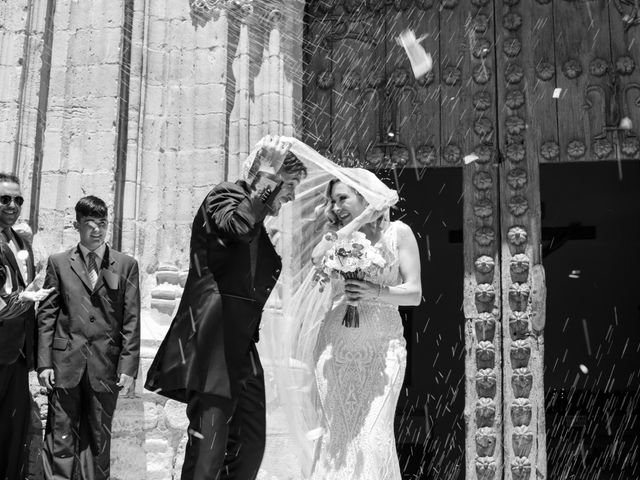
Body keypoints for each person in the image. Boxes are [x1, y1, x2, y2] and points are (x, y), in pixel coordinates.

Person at [144, 135, 307, 480]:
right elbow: (238, 226)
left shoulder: (256, 217)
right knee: (209, 448)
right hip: (214, 343)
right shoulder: (224, 195)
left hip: (242, 348)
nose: (292, 195)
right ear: (269, 175)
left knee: (250, 445)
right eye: (289, 185)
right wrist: (267, 174)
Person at [307, 176, 422, 479]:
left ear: (364, 194)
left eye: (342, 198)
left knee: (372, 440)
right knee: (335, 442)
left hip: (382, 351)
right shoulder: (337, 235)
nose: (335, 206)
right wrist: (358, 221)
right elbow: (316, 259)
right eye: (332, 200)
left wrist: (375, 293)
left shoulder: (399, 233)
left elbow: (414, 293)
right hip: (335, 351)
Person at [37, 195, 141, 480]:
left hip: (104, 366)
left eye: (103, 223)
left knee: (99, 440)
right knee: (60, 435)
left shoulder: (125, 265)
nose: (97, 230)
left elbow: (131, 318)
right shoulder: (58, 263)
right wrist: (44, 363)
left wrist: (128, 366)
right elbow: (47, 315)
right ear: (77, 225)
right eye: (90, 224)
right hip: (64, 364)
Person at [0, 172, 48, 480]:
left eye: (18, 199)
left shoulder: (21, 241)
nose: (12, 205)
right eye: (5, 199)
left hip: (16, 353)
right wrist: (19, 300)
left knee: (12, 432)